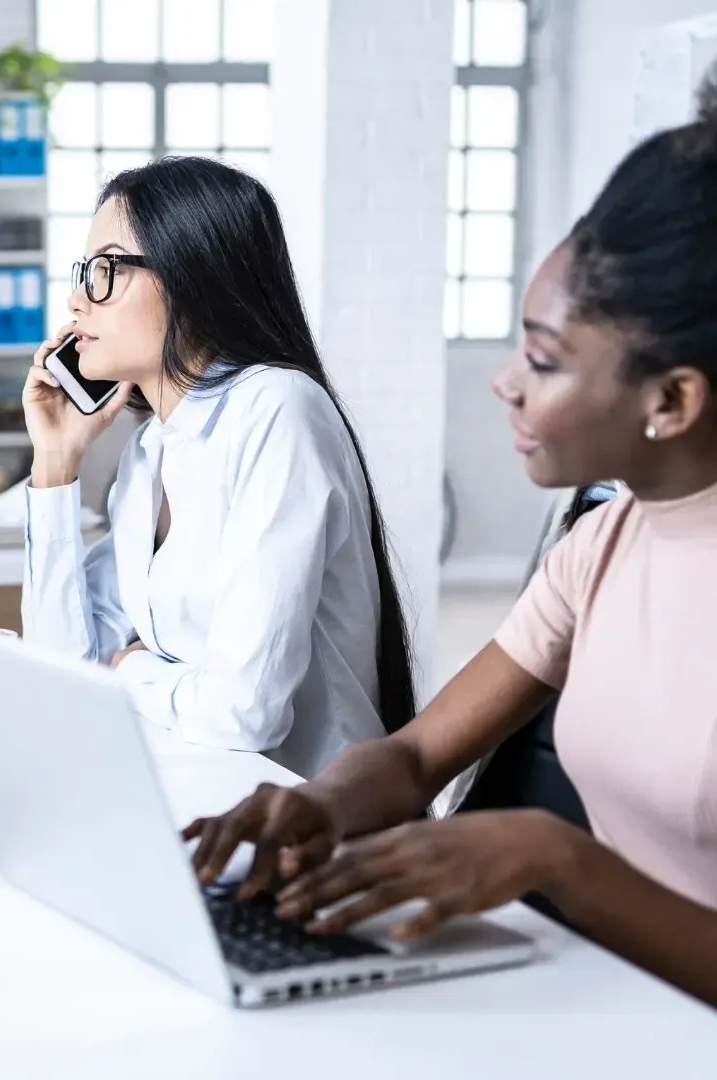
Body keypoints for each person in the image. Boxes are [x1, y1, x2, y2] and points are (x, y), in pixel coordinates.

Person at [183, 82, 717, 1007]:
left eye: (545, 362)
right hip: (608, 1012)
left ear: (671, 400)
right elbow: (418, 756)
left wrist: (563, 863)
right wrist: (320, 802)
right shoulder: (605, 543)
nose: (505, 385)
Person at [21, 156, 414, 778]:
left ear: (192, 276)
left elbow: (246, 713)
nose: (76, 301)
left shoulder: (278, 409)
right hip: (204, 788)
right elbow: (61, 665)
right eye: (83, 272)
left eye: (106, 271)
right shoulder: (152, 451)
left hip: (309, 820)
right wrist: (55, 462)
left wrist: (129, 668)